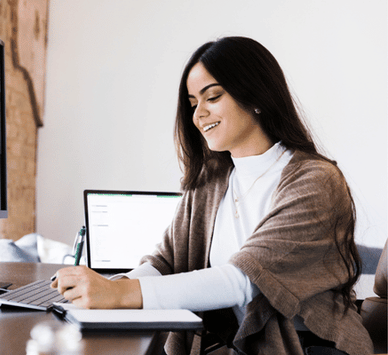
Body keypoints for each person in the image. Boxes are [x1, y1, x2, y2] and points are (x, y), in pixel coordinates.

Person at [50, 37, 373, 355]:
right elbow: (166, 262)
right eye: (193, 103)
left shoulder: (315, 181)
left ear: (256, 96)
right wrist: (105, 288)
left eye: (212, 97)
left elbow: (243, 280)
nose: (198, 115)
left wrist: (121, 293)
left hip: (308, 347)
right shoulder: (211, 179)